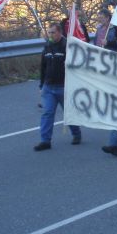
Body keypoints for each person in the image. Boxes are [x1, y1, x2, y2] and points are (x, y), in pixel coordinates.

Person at [34, 23, 81, 151]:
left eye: (53, 32)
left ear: (60, 32)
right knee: (47, 113)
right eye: (49, 32)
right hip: (49, 87)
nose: (50, 35)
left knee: (68, 113)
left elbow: (77, 66)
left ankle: (76, 133)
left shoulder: (67, 46)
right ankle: (45, 141)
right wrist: (41, 84)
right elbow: (43, 67)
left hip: (64, 86)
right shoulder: (47, 46)